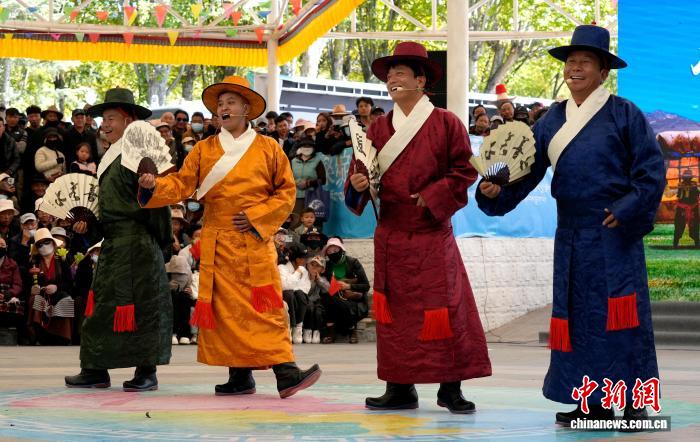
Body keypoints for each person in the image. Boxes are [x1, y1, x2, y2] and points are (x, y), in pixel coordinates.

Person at [476, 25, 666, 427]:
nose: (575, 68)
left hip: (613, 232)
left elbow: (651, 171)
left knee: (621, 316)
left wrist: (627, 208)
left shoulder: (625, 113)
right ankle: (592, 402)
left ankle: (633, 403)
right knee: (578, 319)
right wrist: (494, 189)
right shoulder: (552, 120)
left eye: (585, 62)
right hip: (571, 236)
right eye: (571, 62)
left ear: (603, 72)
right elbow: (525, 172)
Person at [137, 75, 321, 399]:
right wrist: (154, 186)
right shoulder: (204, 149)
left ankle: (286, 371)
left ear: (246, 109)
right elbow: (182, 183)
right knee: (225, 312)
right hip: (218, 241)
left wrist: (256, 216)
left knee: (265, 306)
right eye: (220, 103)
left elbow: (286, 192)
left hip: (253, 240)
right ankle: (239, 374)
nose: (224, 108)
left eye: (231, 102)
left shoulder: (269, 147)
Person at [345, 42, 492, 413]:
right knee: (394, 314)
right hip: (392, 233)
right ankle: (399, 386)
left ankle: (450, 387)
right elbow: (360, 171)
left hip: (431, 230)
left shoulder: (446, 122)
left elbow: (464, 169)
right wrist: (359, 184)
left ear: (421, 80)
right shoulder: (377, 128)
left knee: (444, 308)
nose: (392, 79)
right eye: (389, 74)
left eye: (400, 72)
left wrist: (435, 194)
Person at [64, 87, 173, 392]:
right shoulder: (109, 156)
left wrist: (162, 241)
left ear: (128, 121)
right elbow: (106, 208)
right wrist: (89, 226)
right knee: (102, 307)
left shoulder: (139, 155)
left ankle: (147, 371)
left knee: (143, 307)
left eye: (111, 118)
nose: (105, 125)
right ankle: (95, 369)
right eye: (104, 120)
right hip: (113, 244)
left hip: (139, 244)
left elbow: (157, 204)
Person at [27, 228, 74, 345]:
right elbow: (27, 282)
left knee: (66, 299)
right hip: (41, 293)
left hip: (60, 292)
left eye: (46, 242)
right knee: (35, 299)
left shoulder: (63, 259)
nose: (44, 246)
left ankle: (62, 336)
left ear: (53, 243)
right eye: (40, 244)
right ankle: (40, 336)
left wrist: (57, 287)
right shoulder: (34, 261)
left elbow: (69, 283)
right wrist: (32, 289)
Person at [320, 237, 369, 345]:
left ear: (341, 249)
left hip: (353, 300)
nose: (333, 253)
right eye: (329, 251)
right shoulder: (327, 265)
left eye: (335, 250)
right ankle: (336, 331)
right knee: (328, 298)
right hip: (335, 298)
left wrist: (348, 286)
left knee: (343, 304)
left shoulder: (353, 262)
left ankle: (350, 331)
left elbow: (366, 286)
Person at [278, 242, 310, 345]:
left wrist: (295, 289)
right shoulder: (282, 267)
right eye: (303, 258)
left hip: (298, 299)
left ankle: (298, 328)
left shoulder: (304, 270)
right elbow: (284, 285)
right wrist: (297, 273)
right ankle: (290, 327)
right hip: (286, 299)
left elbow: (306, 287)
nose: (305, 261)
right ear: (297, 259)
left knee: (300, 294)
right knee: (289, 293)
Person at [290, 138, 326, 222]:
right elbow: (288, 178)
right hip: (296, 196)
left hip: (313, 196)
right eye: (304, 146)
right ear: (300, 148)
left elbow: (323, 180)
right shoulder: (293, 161)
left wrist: (308, 183)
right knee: (296, 220)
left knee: (311, 221)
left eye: (309, 146)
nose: (307, 148)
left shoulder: (318, 161)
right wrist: (295, 182)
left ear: (313, 148)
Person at [303, 254, 328, 344]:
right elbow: (305, 292)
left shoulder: (322, 279)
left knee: (318, 311)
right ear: (307, 266)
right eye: (312, 265)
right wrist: (312, 280)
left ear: (322, 270)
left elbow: (327, 290)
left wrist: (318, 280)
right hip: (306, 301)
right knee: (309, 308)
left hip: (317, 302)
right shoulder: (304, 277)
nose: (314, 267)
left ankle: (317, 331)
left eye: (317, 266)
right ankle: (307, 330)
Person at [673, 169, 699, 247]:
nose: (687, 179)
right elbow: (678, 196)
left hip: (693, 208)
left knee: (695, 227)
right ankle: (675, 243)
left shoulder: (694, 185)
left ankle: (697, 243)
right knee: (679, 227)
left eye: (688, 177)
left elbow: (697, 195)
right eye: (686, 177)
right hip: (682, 208)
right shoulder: (680, 185)